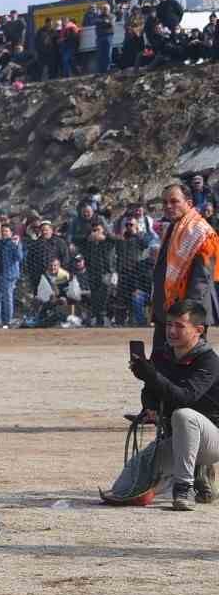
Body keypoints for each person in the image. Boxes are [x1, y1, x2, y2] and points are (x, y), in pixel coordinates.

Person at [115, 299, 219, 509]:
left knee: (184, 415)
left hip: (212, 439)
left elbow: (184, 398)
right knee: (121, 489)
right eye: (169, 324)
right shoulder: (161, 354)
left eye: (179, 326)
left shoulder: (209, 361)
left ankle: (183, 488)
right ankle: (181, 472)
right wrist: (150, 408)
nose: (171, 330)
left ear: (198, 330)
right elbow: (149, 394)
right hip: (176, 438)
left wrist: (152, 376)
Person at [151, 182, 219, 356]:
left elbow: (201, 279)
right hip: (167, 310)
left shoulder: (201, 232)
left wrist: (186, 313)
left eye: (174, 201)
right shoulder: (174, 228)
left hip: (187, 313)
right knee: (161, 364)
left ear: (189, 203)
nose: (168, 206)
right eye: (165, 202)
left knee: (190, 366)